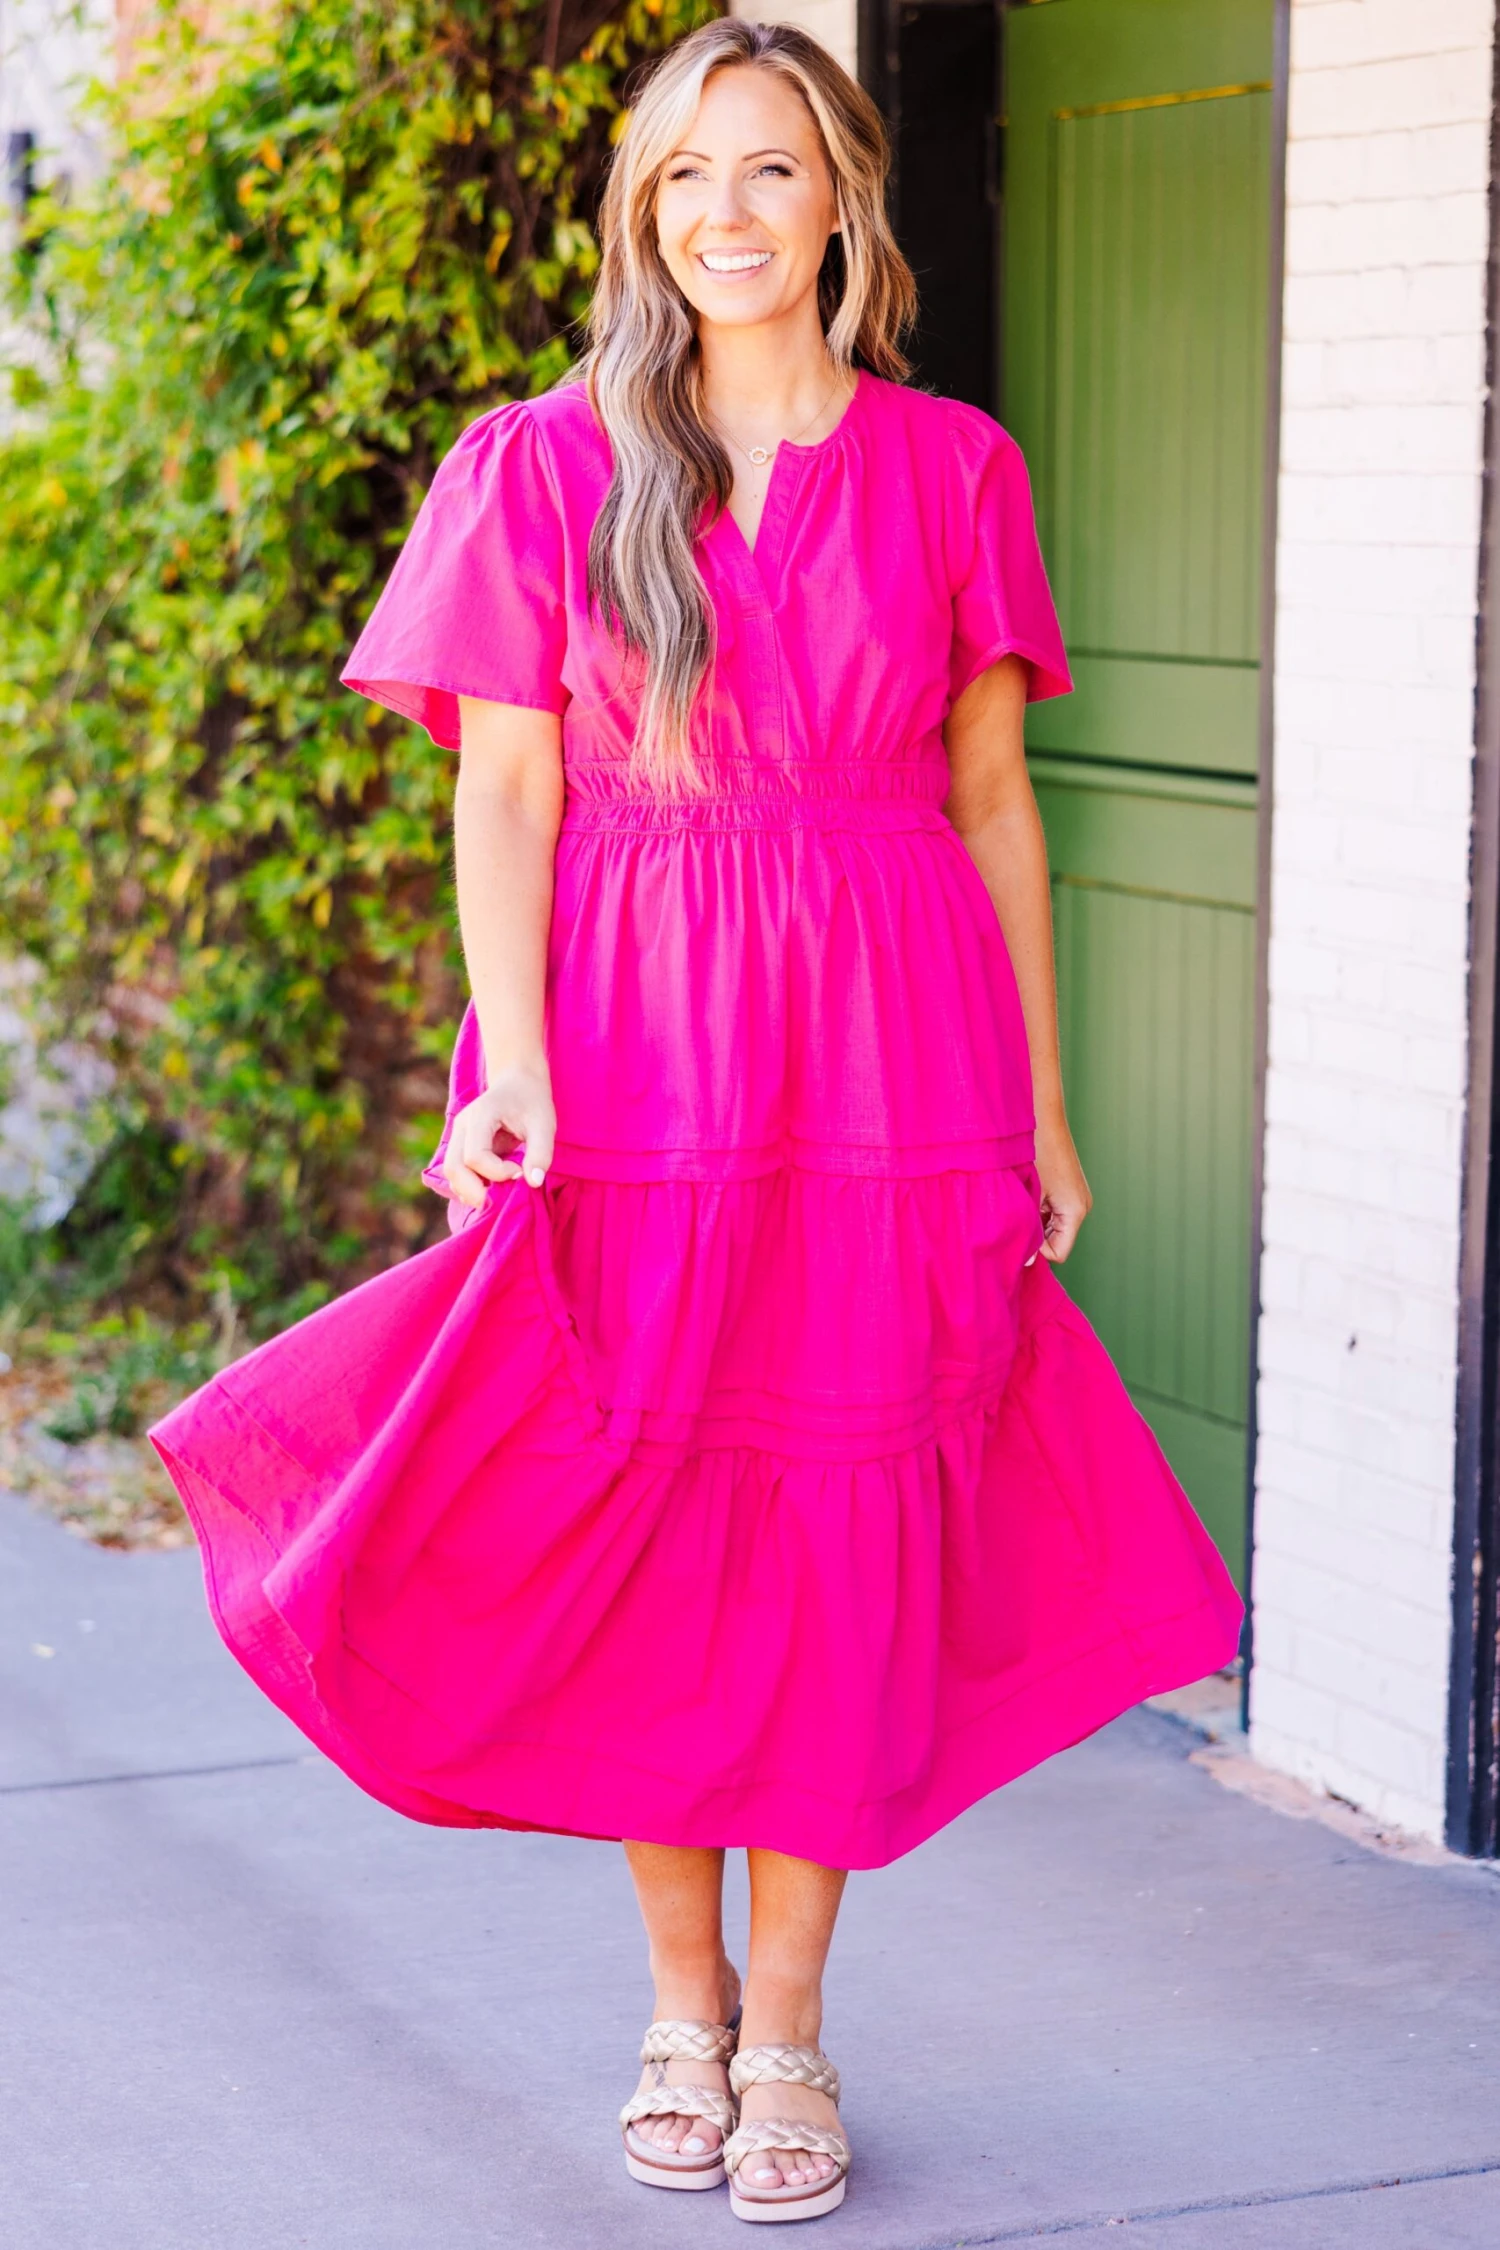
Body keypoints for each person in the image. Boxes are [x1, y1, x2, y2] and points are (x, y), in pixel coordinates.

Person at [150, 16, 1243, 2225]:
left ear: (843, 200)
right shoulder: (542, 464)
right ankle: (681, 2005)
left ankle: (796, 2026)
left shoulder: (954, 469)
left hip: (895, 1052)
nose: (725, 214)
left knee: (847, 1519)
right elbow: (506, 789)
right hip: (631, 1044)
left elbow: (995, 800)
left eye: (768, 169)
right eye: (683, 176)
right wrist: (514, 1061)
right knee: (650, 1518)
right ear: (640, 214)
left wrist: (1042, 1106)